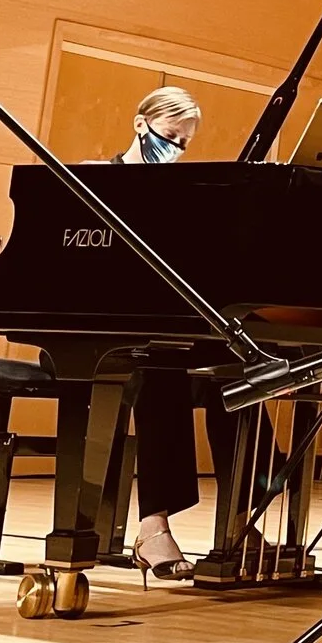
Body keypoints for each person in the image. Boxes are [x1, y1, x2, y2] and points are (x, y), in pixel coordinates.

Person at [114, 87, 239, 578]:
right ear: (141, 124)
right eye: (171, 137)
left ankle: (240, 516)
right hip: (109, 332)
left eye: (185, 143)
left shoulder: (180, 193)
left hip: (160, 329)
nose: (177, 150)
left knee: (237, 377)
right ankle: (152, 527)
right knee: (160, 373)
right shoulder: (96, 179)